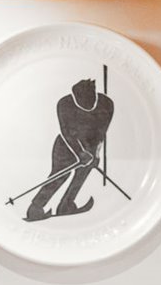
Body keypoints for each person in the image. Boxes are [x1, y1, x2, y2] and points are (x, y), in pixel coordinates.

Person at [25, 76, 114, 222]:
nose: (84, 104)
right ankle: (35, 208)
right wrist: (80, 152)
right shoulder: (65, 104)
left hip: (90, 145)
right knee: (60, 175)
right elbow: (67, 132)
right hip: (67, 145)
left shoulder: (106, 104)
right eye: (79, 101)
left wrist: (95, 153)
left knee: (83, 172)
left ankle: (66, 205)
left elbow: (101, 133)